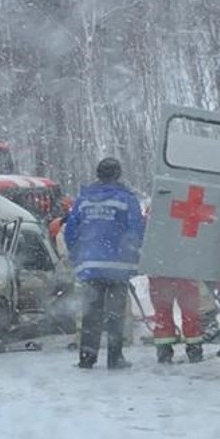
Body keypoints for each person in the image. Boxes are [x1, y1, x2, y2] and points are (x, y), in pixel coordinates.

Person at [64, 157, 144, 370]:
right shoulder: (126, 199)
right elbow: (136, 229)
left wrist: (77, 252)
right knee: (115, 314)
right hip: (117, 266)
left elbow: (71, 229)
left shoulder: (84, 199)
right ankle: (115, 357)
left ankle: (87, 357)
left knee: (91, 312)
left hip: (90, 265)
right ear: (118, 174)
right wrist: (132, 253)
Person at [148, 276, 203, 363]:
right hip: (186, 272)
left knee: (163, 314)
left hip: (159, 274)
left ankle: (164, 353)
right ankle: (195, 351)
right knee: (190, 312)